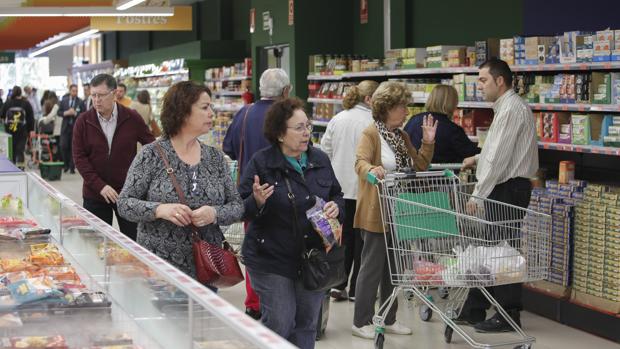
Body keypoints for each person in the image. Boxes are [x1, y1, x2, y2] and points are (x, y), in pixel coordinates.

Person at [238, 97, 344, 349]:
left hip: (313, 258)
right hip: (271, 258)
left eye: (307, 126)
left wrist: (336, 207)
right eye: (299, 128)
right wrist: (257, 201)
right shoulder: (262, 163)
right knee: (280, 323)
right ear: (279, 134)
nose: (306, 132)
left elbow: (337, 194)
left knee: (307, 324)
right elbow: (239, 208)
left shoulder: (319, 159)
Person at [117, 81, 243, 283]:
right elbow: (124, 204)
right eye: (205, 107)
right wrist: (159, 210)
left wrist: (214, 213)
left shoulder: (215, 158)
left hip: (207, 270)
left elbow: (237, 206)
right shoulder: (151, 155)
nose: (212, 112)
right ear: (183, 111)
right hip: (159, 272)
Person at [352, 81, 437, 339]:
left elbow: (419, 165)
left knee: (395, 267)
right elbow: (360, 162)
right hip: (376, 210)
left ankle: (388, 317)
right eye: (401, 106)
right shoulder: (371, 134)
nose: (406, 111)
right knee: (372, 266)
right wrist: (372, 170)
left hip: (399, 210)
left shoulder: (402, 136)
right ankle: (361, 321)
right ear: (386, 107)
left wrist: (428, 142)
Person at [459, 58, 538, 333]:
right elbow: (496, 152)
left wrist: (477, 195)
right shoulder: (504, 108)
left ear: (499, 81)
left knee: (504, 252)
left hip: (508, 189)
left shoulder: (512, 110)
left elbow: (500, 160)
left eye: (483, 80)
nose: (479, 85)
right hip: (504, 186)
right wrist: (477, 158)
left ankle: (508, 315)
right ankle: (474, 308)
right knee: (491, 248)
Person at [223, 68, 291, 319]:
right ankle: (281, 302)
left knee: (253, 246)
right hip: (286, 192)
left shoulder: (245, 112)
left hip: (251, 193)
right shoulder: (288, 116)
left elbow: (228, 148)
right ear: (285, 91)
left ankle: (254, 303)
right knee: (284, 249)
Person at [72, 74, 155, 241]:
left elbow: (151, 146)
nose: (96, 100)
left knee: (134, 243)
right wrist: (100, 186)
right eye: (93, 95)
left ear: (115, 93)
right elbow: (79, 158)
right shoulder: (83, 121)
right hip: (95, 194)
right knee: (95, 244)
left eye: (101, 95)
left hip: (128, 194)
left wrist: (141, 177)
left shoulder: (131, 117)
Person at [320, 80, 378, 302]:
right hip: (365, 189)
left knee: (342, 239)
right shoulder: (373, 121)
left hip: (339, 190)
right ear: (369, 99)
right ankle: (357, 288)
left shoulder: (338, 118)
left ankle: (338, 284)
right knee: (362, 242)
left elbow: (325, 149)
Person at [405, 84, 480, 163]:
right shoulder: (452, 130)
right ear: (452, 103)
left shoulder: (414, 120)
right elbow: (470, 152)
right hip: (442, 173)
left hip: (414, 171)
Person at [0, 86, 35, 166]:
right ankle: (20, 168)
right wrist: (31, 130)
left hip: (9, 131)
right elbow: (30, 118)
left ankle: (11, 167)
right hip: (22, 131)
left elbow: (1, 115)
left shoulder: (8, 103)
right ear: (20, 93)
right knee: (20, 150)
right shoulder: (26, 103)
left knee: (11, 150)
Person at [57, 84, 85, 173]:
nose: (75, 93)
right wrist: (66, 113)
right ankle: (66, 164)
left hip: (75, 127)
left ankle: (72, 167)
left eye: (76, 91)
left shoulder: (80, 102)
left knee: (73, 147)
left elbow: (84, 114)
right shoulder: (64, 101)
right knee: (63, 146)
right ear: (70, 91)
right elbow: (59, 112)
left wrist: (75, 114)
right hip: (65, 127)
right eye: (73, 91)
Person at [39, 92, 62, 161]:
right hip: (64, 129)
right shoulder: (61, 103)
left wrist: (44, 121)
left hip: (57, 129)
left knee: (58, 146)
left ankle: (58, 159)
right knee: (60, 146)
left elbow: (51, 115)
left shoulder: (56, 105)